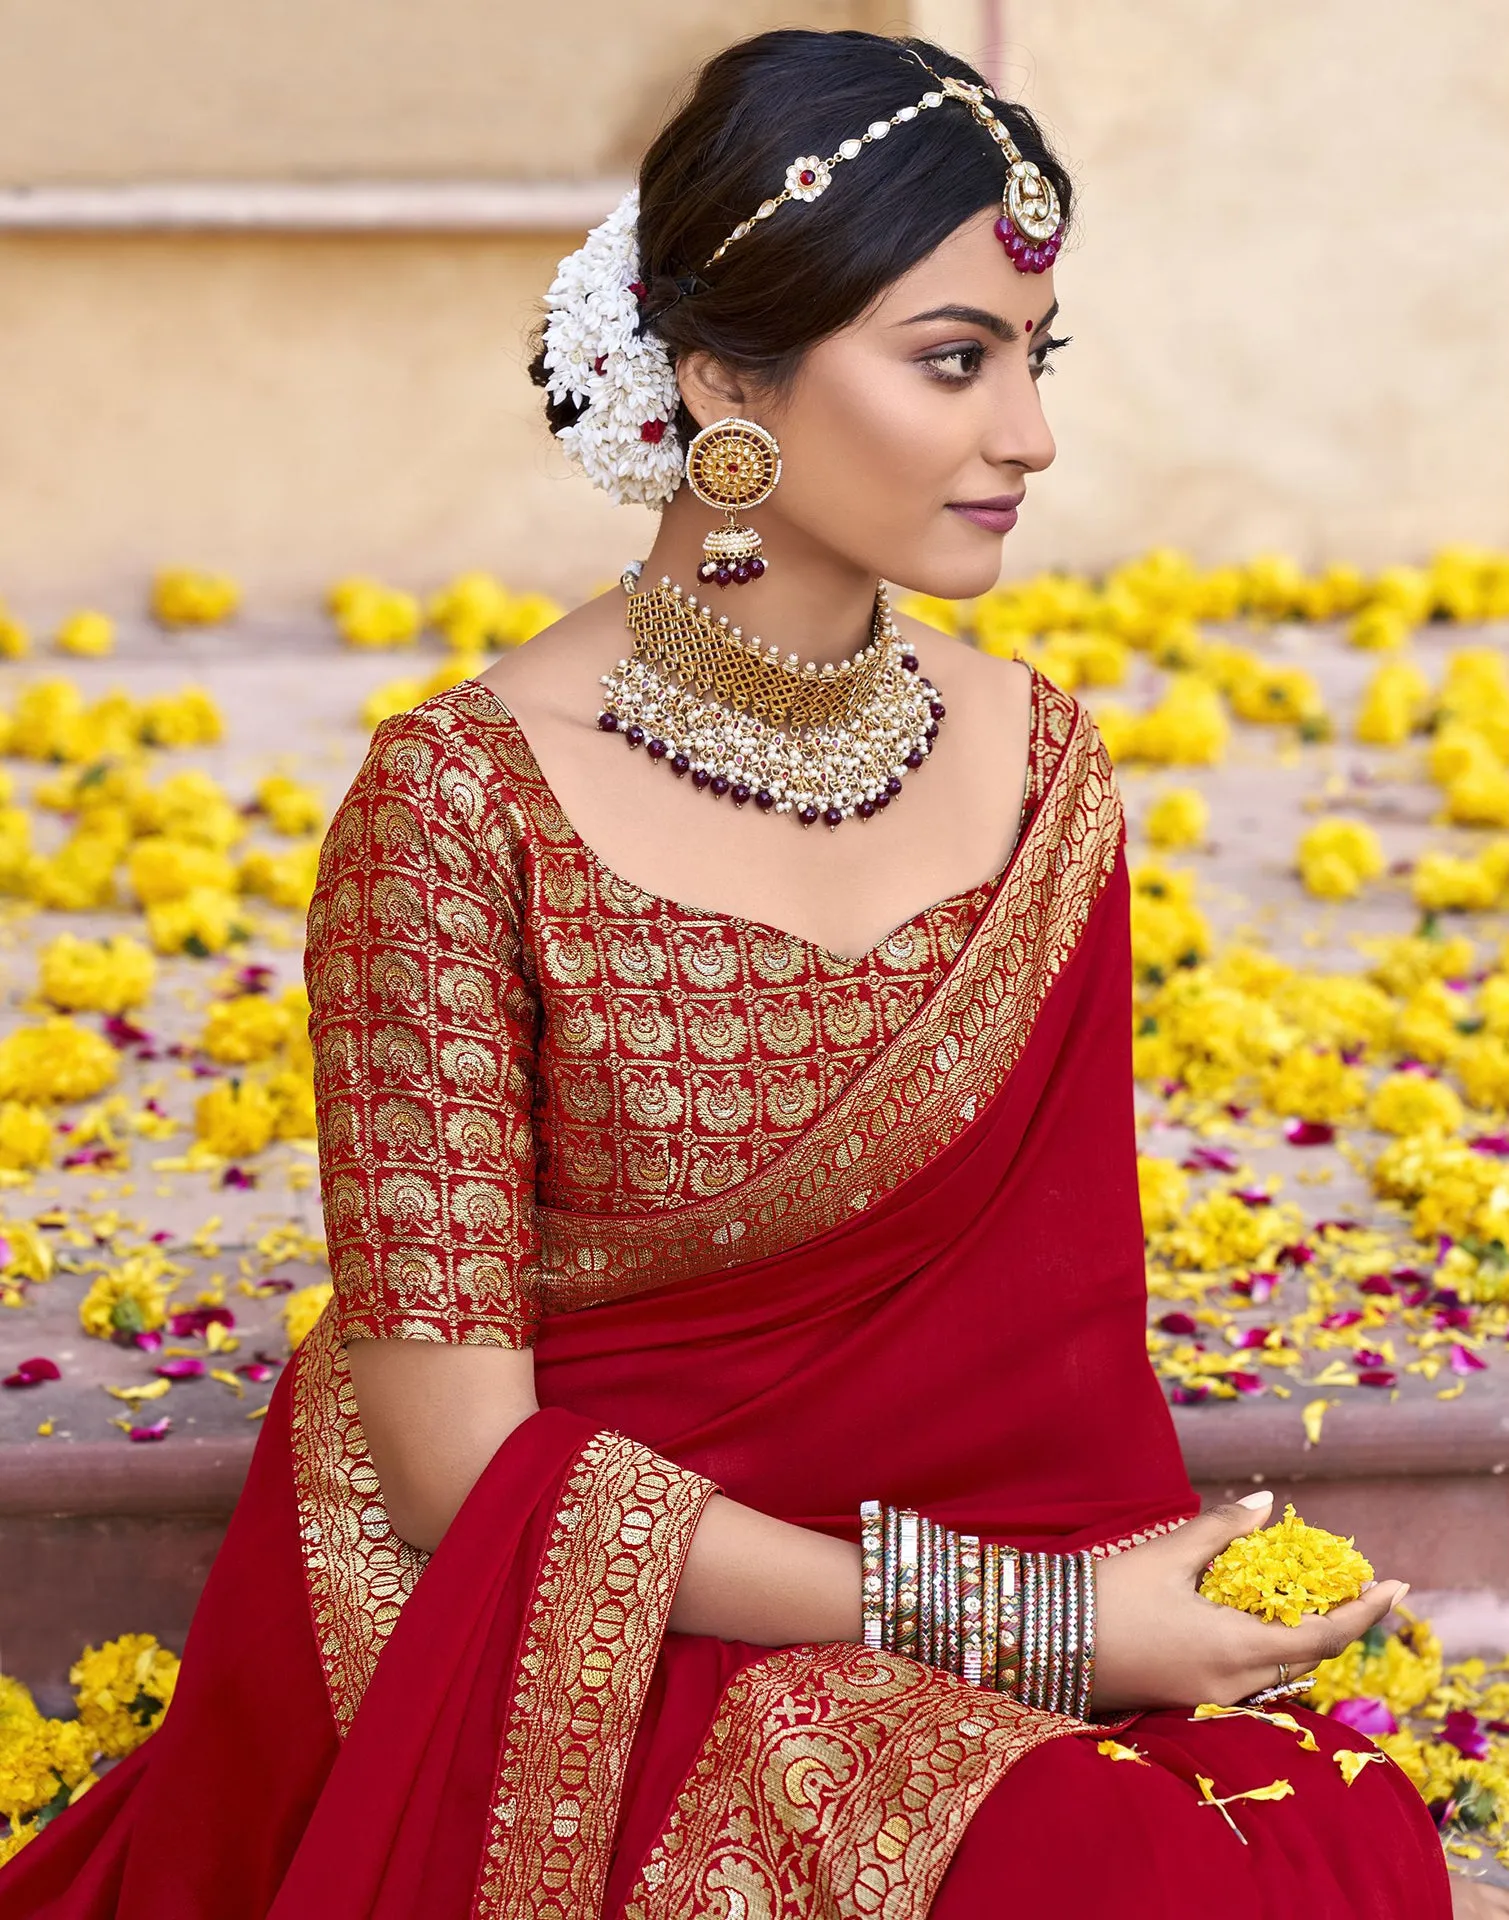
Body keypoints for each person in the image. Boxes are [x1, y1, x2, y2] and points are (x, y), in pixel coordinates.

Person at [1, 26, 1479, 1918]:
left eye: (1037, 359)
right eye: (955, 360)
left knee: (1310, 1833)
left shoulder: (1041, 773)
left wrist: (1103, 1621)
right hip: (559, 1609)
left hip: (951, 1592)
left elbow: (1053, 1377)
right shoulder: (462, 812)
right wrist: (1034, 1628)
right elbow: (462, 1474)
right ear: (720, 378)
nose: (1028, 435)